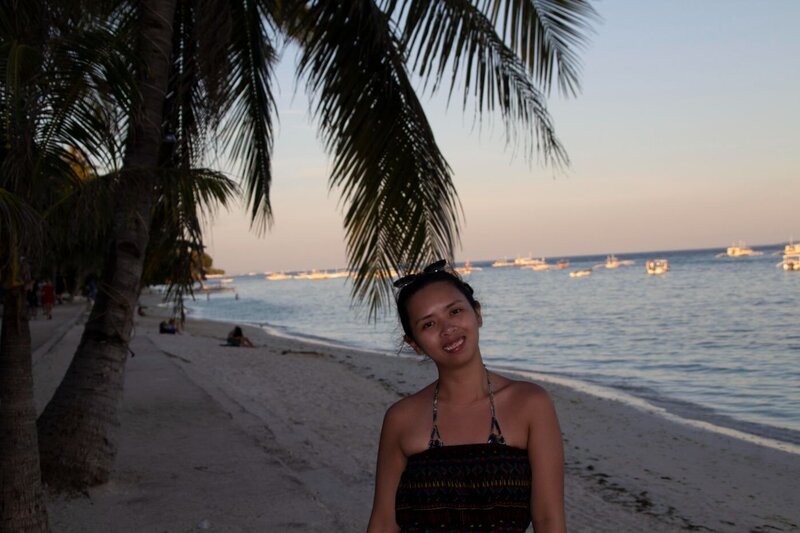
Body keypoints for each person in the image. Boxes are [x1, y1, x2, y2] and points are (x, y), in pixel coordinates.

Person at [367, 260, 566, 533]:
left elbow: (549, 520)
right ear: (414, 344)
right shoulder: (402, 418)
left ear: (477, 314)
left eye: (456, 311)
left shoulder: (530, 404)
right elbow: (383, 523)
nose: (447, 329)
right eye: (428, 324)